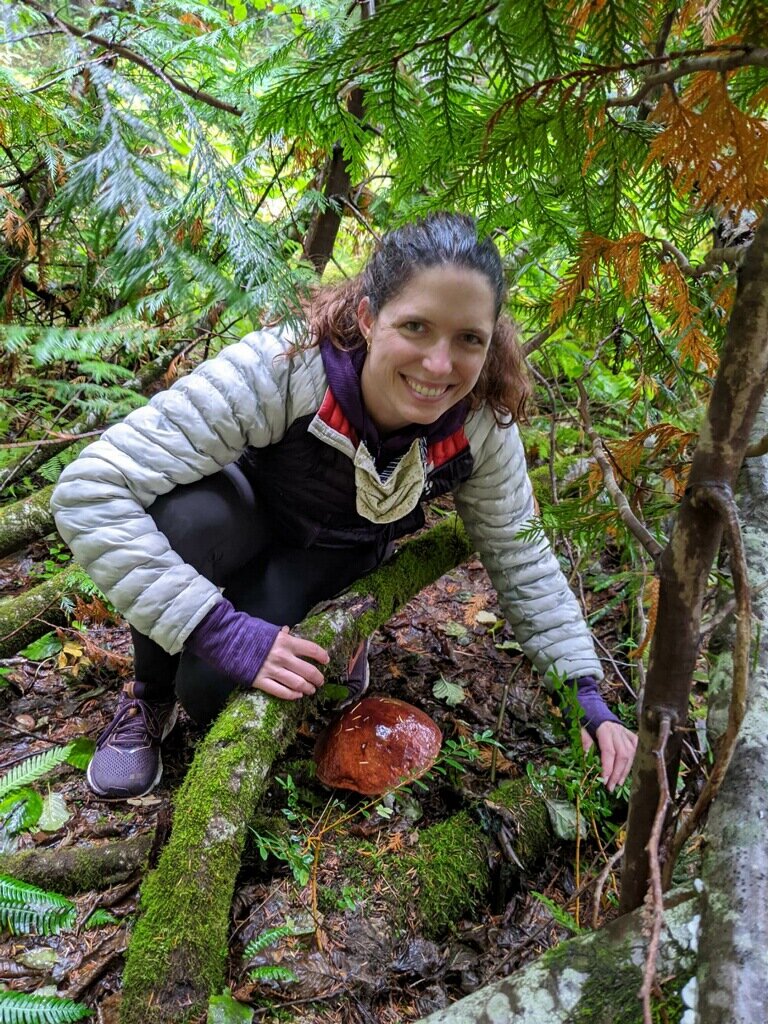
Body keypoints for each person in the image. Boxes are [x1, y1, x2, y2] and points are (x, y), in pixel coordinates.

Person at [50, 212, 637, 801]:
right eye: (416, 326)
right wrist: (219, 629)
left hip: (337, 555)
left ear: (491, 342)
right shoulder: (287, 366)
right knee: (184, 520)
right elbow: (90, 489)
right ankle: (148, 700)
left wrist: (584, 695)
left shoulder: (480, 424)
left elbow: (521, 552)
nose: (439, 365)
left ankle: (328, 635)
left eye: (468, 339)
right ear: (367, 317)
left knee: (208, 693)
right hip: (250, 513)